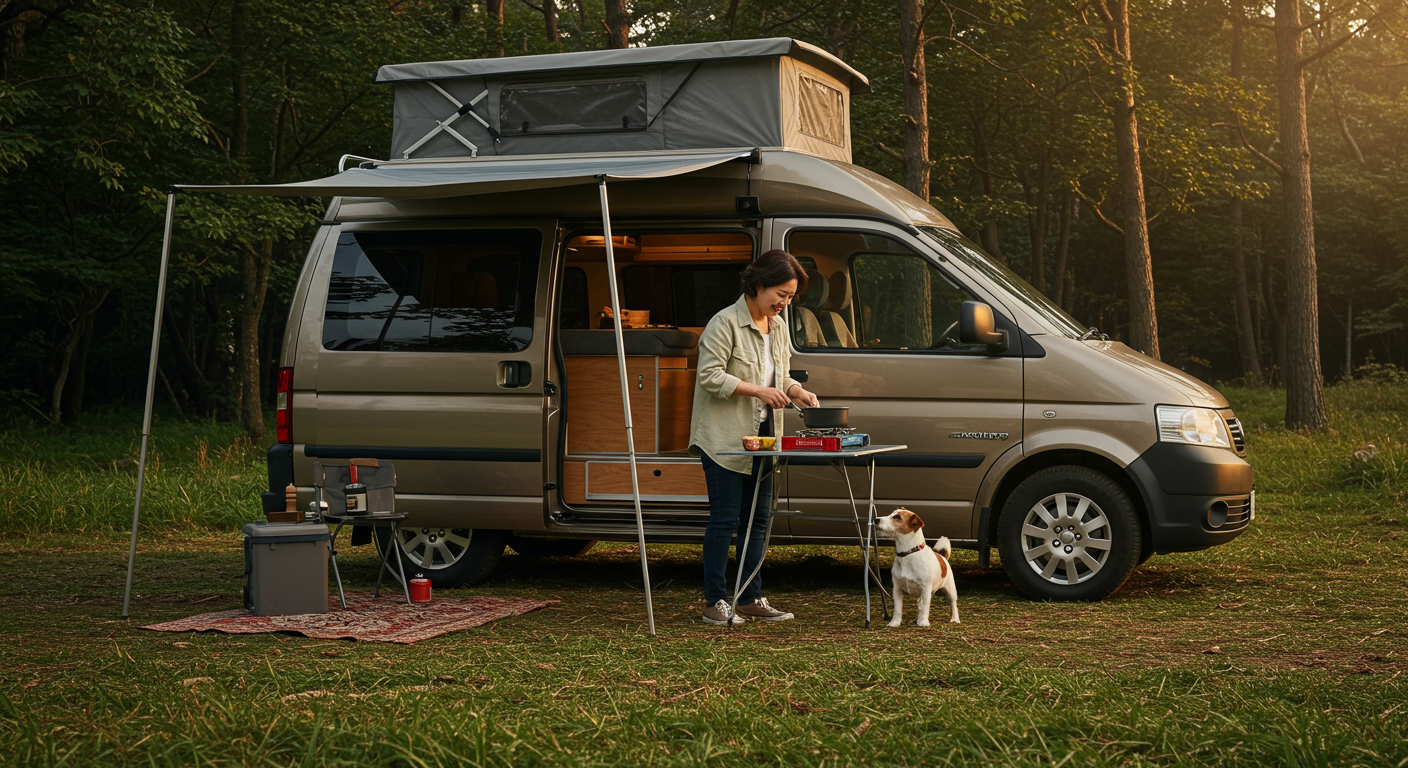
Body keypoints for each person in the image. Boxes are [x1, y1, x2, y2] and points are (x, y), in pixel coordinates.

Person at [688, 249, 820, 626]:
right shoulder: (724, 323)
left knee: (758, 520)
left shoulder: (777, 328)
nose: (785, 302)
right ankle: (715, 601)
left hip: (765, 435)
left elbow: (781, 376)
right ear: (758, 285)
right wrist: (759, 392)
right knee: (725, 519)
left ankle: (750, 597)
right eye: (781, 294)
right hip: (724, 436)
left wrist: (796, 391)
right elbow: (710, 377)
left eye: (791, 297)